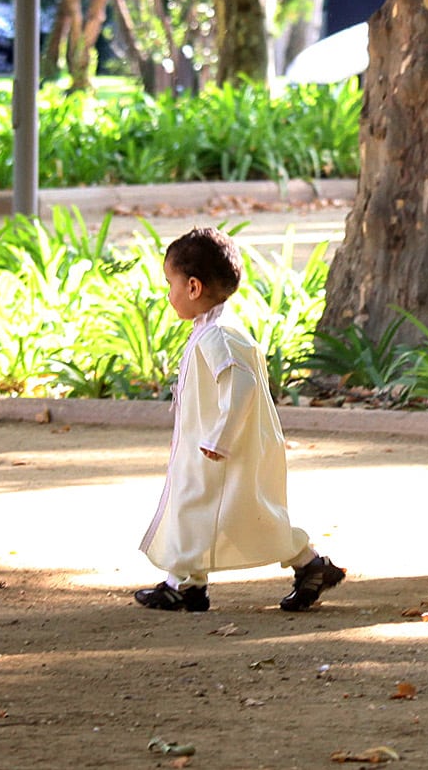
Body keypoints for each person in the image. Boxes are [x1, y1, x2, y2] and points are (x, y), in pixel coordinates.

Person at [135, 228, 344, 613]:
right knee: (195, 509)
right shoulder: (214, 330)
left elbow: (242, 386)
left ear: (193, 287)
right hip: (208, 447)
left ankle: (309, 564)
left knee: (243, 513)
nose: (168, 294)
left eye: (170, 284)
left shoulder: (219, 336)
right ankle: (187, 583)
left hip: (220, 450)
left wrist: (220, 438)